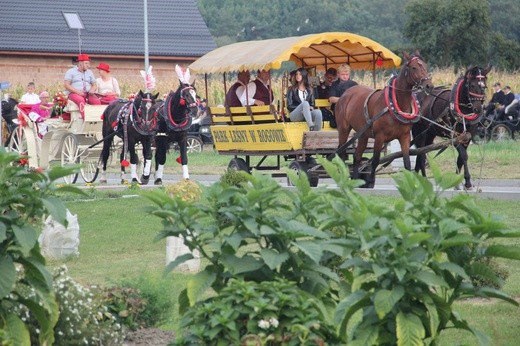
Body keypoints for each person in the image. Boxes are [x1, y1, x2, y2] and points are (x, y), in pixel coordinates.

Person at [64, 53, 101, 119]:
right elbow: (66, 85)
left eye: (88, 63)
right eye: (86, 63)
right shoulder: (70, 71)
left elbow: (94, 85)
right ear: (80, 63)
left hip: (88, 93)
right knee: (81, 101)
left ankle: (98, 119)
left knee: (97, 102)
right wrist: (77, 92)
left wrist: (92, 89)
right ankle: (86, 119)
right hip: (75, 93)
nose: (88, 66)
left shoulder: (89, 72)